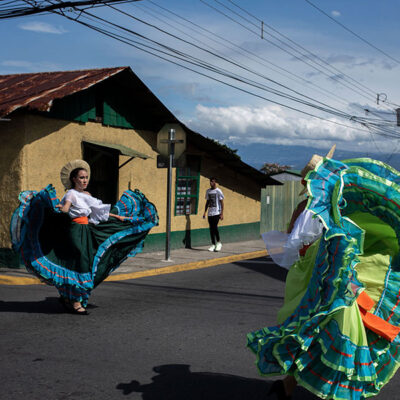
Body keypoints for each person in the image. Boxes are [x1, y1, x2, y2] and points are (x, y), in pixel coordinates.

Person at [247, 147, 400, 400]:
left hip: (333, 276)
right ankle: (324, 388)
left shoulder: (331, 205)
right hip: (322, 278)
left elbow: (294, 243)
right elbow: (297, 243)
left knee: (321, 332)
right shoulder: (319, 207)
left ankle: (288, 387)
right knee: (325, 332)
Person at [10, 159, 158, 315]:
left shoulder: (87, 194)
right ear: (74, 179)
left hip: (86, 230)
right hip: (75, 231)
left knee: (84, 263)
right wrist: (58, 206)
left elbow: (97, 211)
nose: (85, 180)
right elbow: (66, 209)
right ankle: (75, 302)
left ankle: (68, 296)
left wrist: (118, 217)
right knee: (81, 263)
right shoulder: (71, 193)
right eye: (81, 177)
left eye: (86, 177)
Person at [203, 177, 224, 252]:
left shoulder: (218, 191)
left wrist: (221, 213)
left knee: (215, 227)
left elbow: (222, 203)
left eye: (213, 181)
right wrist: (205, 212)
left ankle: (218, 242)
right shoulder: (208, 191)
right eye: (210, 181)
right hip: (210, 213)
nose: (211, 183)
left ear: (215, 182)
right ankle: (213, 244)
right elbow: (207, 202)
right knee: (211, 229)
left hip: (217, 213)